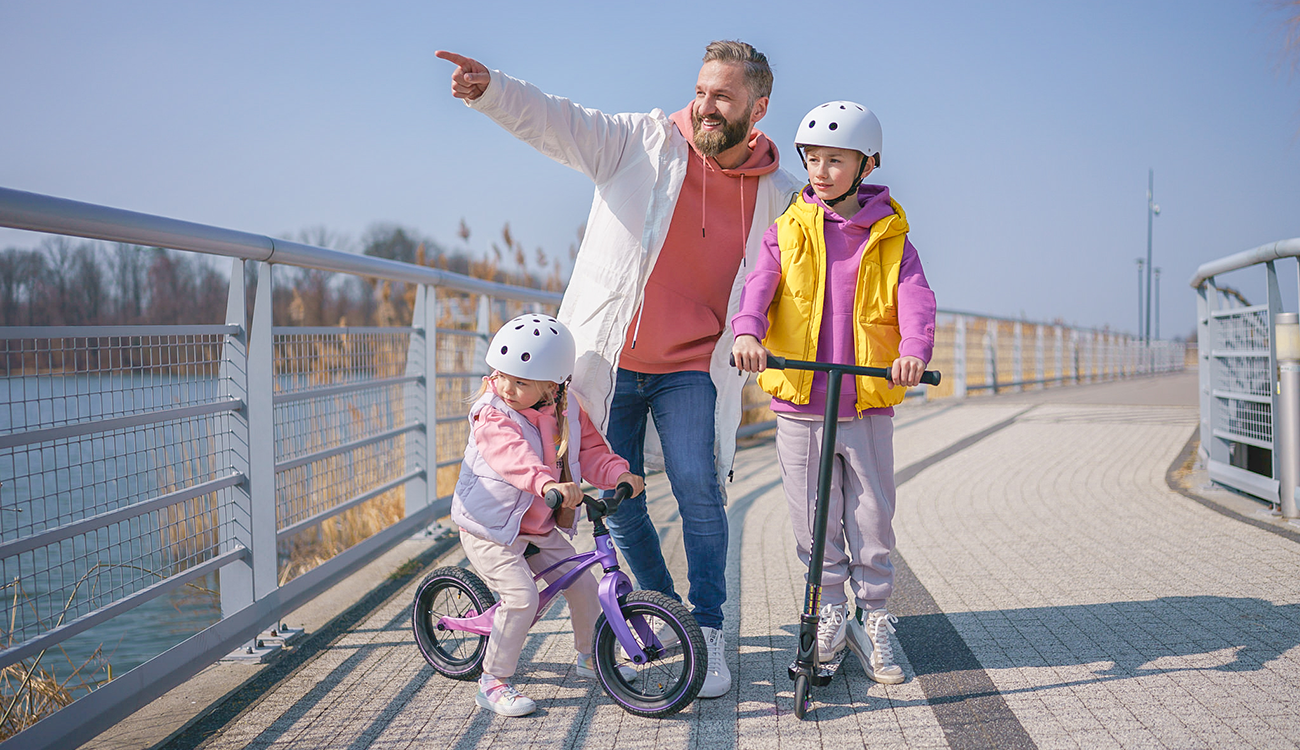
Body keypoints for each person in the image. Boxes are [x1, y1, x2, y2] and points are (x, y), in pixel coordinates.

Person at [436, 41, 802, 697]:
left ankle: (710, 631)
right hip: (609, 363)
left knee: (698, 488)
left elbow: (825, 248)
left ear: (759, 106)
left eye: (723, 96)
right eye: (701, 91)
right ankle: (666, 615)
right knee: (618, 497)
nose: (705, 105)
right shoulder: (641, 144)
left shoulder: (778, 192)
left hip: (695, 368)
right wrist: (493, 90)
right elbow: (559, 121)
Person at [731, 101, 936, 685]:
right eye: (812, 160)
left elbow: (917, 300)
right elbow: (759, 287)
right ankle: (830, 612)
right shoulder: (788, 231)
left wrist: (913, 351)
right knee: (813, 519)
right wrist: (748, 333)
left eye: (835, 161)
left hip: (866, 400)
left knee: (871, 517)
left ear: (866, 164)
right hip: (801, 403)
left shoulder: (893, 238)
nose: (820, 171)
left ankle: (875, 618)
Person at [450, 314, 645, 717]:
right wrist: (546, 484)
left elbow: (591, 451)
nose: (505, 387)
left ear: (552, 386)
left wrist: (618, 473)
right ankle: (493, 681)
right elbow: (512, 458)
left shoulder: (567, 408)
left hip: (536, 526)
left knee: (585, 586)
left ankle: (591, 657)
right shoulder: (493, 414)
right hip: (491, 528)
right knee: (521, 598)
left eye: (519, 382)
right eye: (501, 375)